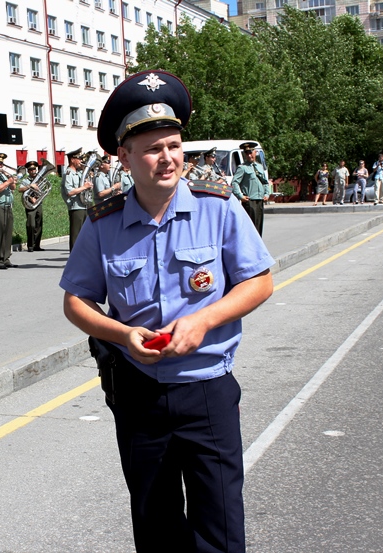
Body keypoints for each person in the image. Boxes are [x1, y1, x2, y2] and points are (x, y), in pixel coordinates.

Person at [60, 70, 274, 553]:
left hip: (207, 389)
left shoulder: (218, 207)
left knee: (219, 524)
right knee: (155, 525)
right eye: (153, 148)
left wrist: (204, 320)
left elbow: (259, 282)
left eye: (174, 145)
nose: (168, 158)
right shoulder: (103, 223)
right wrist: (120, 334)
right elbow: (76, 300)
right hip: (139, 393)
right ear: (125, 157)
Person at [231, 142, 271, 236]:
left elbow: (265, 182)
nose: (249, 155)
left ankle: (258, 246)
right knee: (250, 227)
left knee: (259, 225)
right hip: (250, 201)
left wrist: (266, 194)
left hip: (259, 200)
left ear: (255, 152)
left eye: (251, 152)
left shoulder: (259, 167)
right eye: (247, 153)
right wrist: (240, 196)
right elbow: (234, 182)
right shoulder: (242, 168)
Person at [60, 147, 92, 250]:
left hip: (83, 205)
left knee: (85, 233)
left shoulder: (79, 173)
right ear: (72, 160)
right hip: (75, 207)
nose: (81, 161)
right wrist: (84, 187)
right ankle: (74, 258)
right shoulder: (68, 173)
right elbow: (69, 192)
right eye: (79, 159)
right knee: (76, 235)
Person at [17, 159, 45, 252]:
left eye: (34, 169)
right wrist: (30, 187)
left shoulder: (40, 178)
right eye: (31, 170)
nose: (33, 171)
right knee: (31, 225)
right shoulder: (26, 180)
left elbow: (43, 190)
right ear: (28, 171)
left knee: (39, 224)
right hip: (29, 204)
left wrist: (37, 197)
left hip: (38, 203)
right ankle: (30, 245)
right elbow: (20, 190)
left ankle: (37, 245)